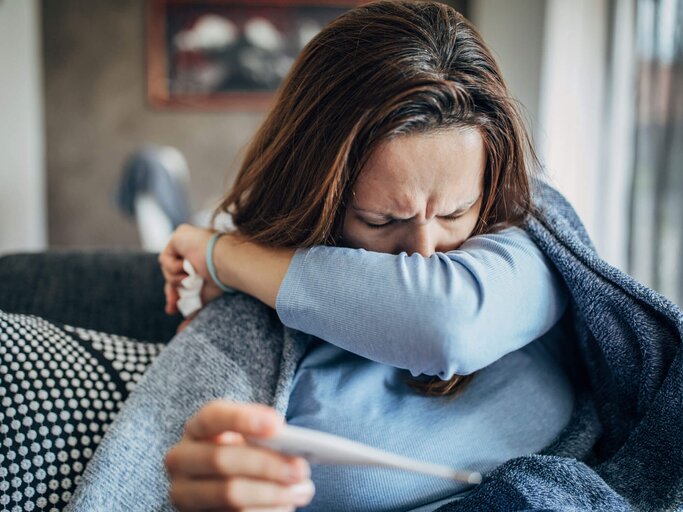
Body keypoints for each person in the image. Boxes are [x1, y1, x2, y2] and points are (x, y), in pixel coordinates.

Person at [156, 2, 575, 510]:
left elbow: (445, 322)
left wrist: (222, 255)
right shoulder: (254, 321)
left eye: (455, 213)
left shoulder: (528, 243)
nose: (424, 254)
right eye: (381, 221)